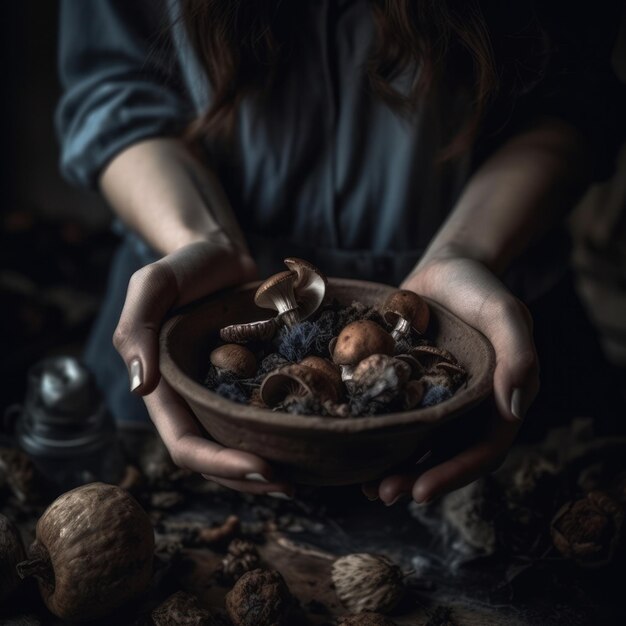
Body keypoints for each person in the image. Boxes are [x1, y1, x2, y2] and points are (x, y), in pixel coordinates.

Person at [57, 0, 625, 504]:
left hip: (482, 328)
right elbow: (115, 88)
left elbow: (574, 99)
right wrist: (200, 240)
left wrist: (468, 248)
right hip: (196, 323)